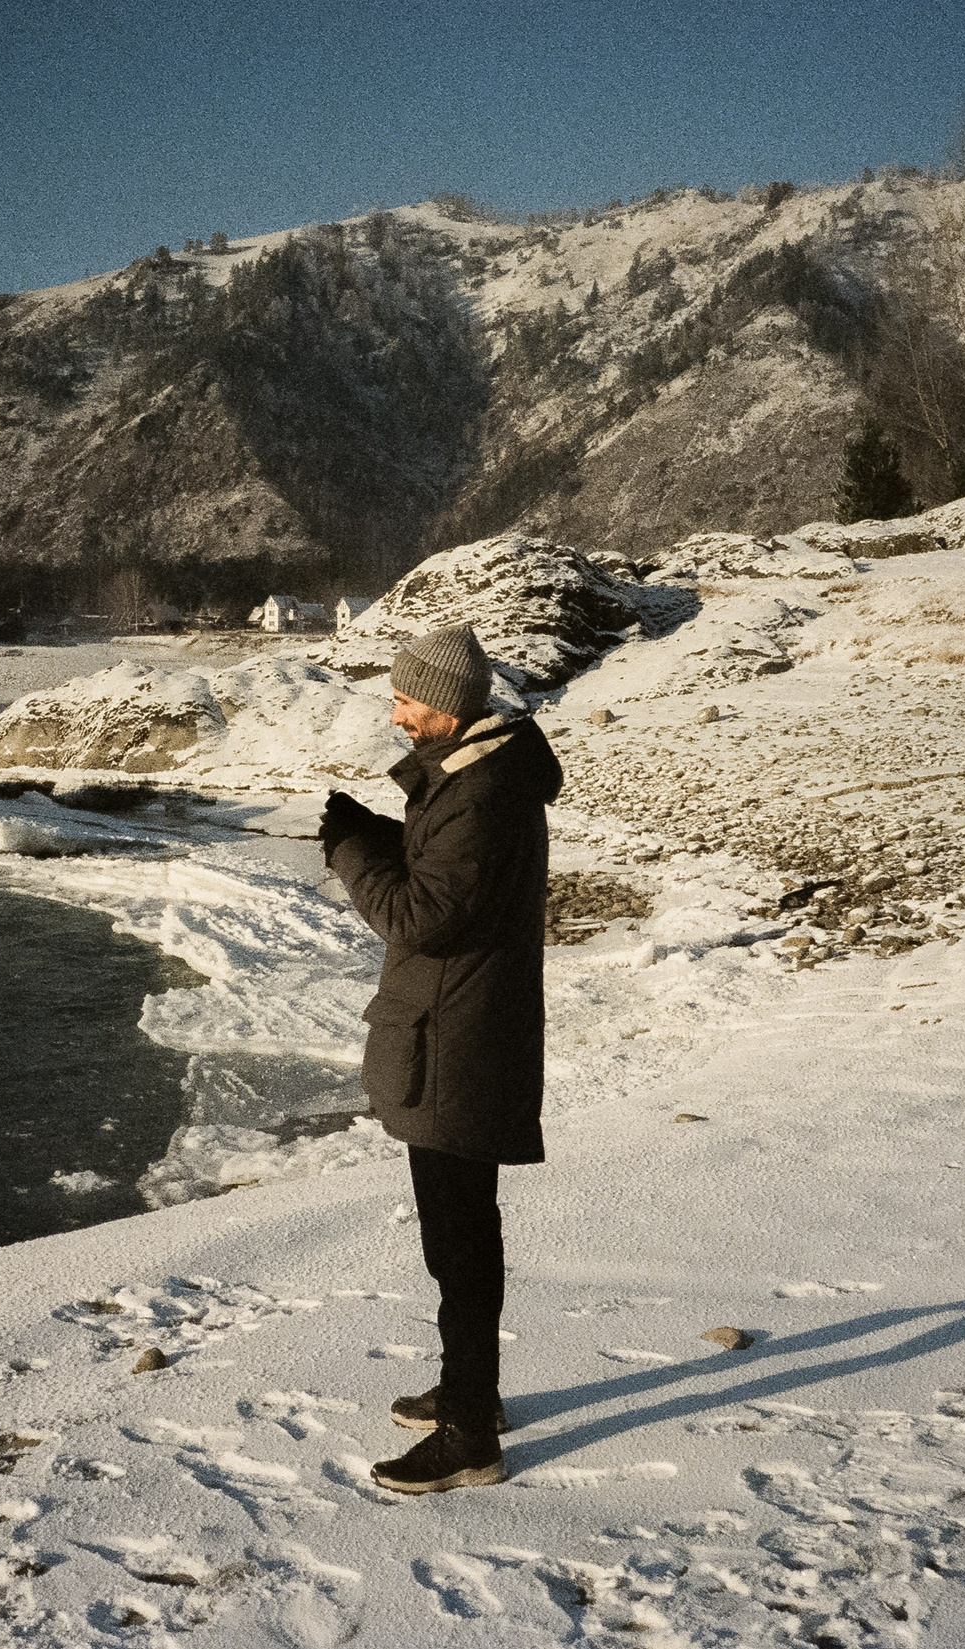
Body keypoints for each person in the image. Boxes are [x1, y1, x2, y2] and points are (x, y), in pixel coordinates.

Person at [318, 623, 563, 1494]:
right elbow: (440, 883)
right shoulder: (471, 777)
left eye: (407, 700)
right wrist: (381, 834)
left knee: (458, 1240)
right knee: (458, 1233)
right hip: (458, 1029)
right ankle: (474, 1394)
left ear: (452, 708)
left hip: (457, 1042)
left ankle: (469, 1435)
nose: (397, 713)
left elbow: (419, 918)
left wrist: (351, 850)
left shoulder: (484, 792)